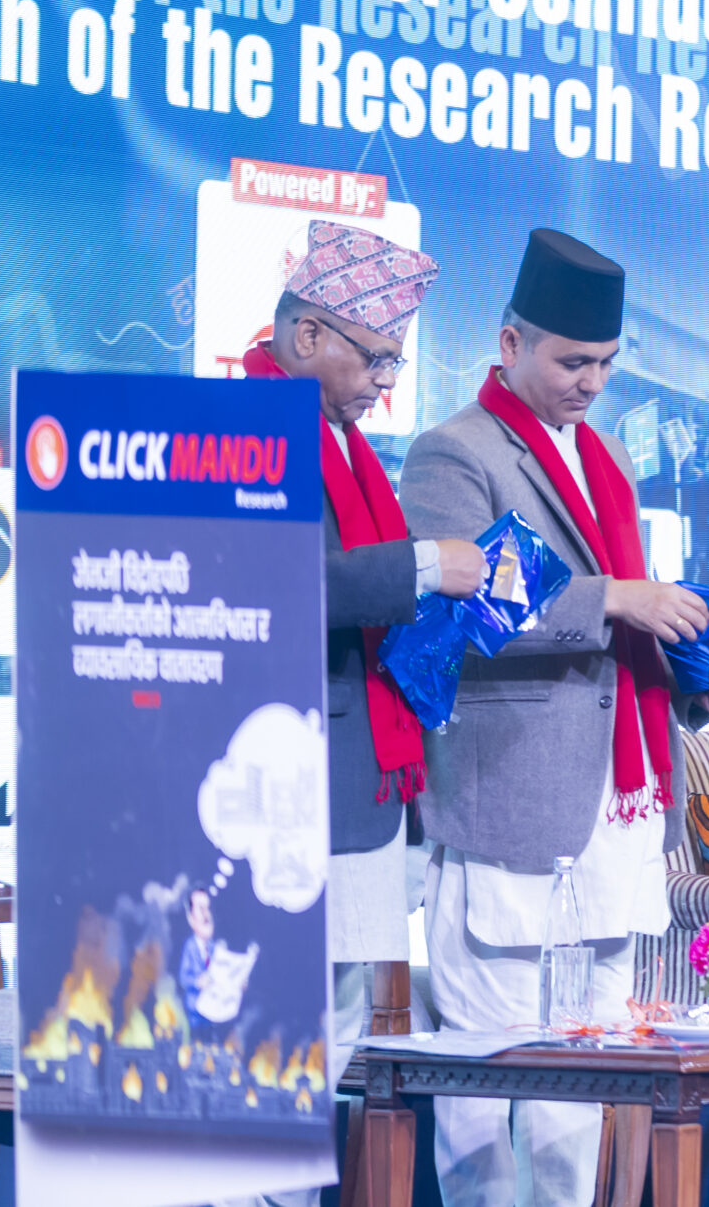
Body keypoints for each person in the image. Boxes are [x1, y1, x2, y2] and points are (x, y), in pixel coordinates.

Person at [399, 228, 709, 1207]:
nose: (591, 383)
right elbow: (455, 612)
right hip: (508, 798)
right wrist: (614, 597)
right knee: (484, 1073)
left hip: (617, 805)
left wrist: (698, 692)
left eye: (605, 363)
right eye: (572, 362)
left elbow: (621, 653)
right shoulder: (454, 450)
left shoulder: (608, 459)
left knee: (585, 1068)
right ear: (510, 342)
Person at [240, 222, 484, 1076]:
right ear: (308, 333)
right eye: (376, 358)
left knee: (336, 1029)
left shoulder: (341, 439)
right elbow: (278, 583)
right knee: (276, 1033)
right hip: (291, 772)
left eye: (395, 362)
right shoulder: (246, 422)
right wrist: (426, 565)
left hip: (356, 777)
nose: (385, 383)